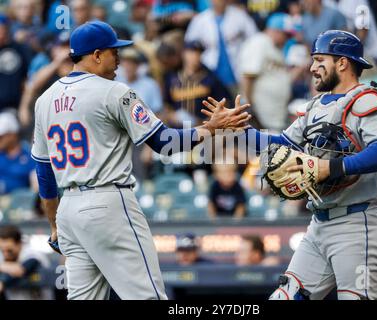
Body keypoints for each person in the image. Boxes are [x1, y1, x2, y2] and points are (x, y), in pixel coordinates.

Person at [31, 20, 250, 300]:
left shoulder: (44, 100)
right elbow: (164, 143)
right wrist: (210, 128)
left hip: (69, 212)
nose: (119, 59)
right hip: (108, 202)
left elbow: (44, 171)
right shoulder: (114, 91)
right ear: (96, 55)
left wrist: (54, 224)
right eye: (114, 51)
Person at [203, 30, 377, 300]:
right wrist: (237, 129)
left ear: (342, 63)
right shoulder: (315, 106)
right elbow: (282, 144)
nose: (312, 67)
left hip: (357, 224)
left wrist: (330, 168)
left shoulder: (366, 100)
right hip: (319, 224)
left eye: (320, 60)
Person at [184, 0, 257, 91]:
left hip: (237, 69)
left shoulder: (239, 15)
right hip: (209, 69)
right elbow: (189, 44)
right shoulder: (200, 19)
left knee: (238, 99)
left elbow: (254, 38)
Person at [239, 13, 292, 131]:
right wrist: (247, 107)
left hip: (273, 118)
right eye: (286, 35)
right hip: (260, 119)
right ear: (275, 30)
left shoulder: (275, 47)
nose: (288, 39)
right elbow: (248, 76)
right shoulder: (259, 42)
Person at [164, 40, 232, 126]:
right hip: (178, 131)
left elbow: (224, 103)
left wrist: (209, 122)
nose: (195, 56)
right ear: (183, 54)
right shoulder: (172, 78)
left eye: (198, 53)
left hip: (204, 129)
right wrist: (171, 116)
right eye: (191, 53)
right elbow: (166, 104)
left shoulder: (210, 78)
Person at [0, 225, 53, 300]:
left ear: (19, 244)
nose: (5, 254)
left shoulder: (32, 253)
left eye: (9, 250)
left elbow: (19, 270)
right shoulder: (2, 257)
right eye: (2, 250)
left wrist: (2, 281)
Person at [0, 112, 36, 195]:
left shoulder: (28, 154)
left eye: (1, 137)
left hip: (21, 203)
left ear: (13, 135)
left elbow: (36, 184)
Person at [0, 14, 30, 113]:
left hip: (12, 107)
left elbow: (26, 78)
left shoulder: (19, 48)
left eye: (2, 28)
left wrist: (24, 106)